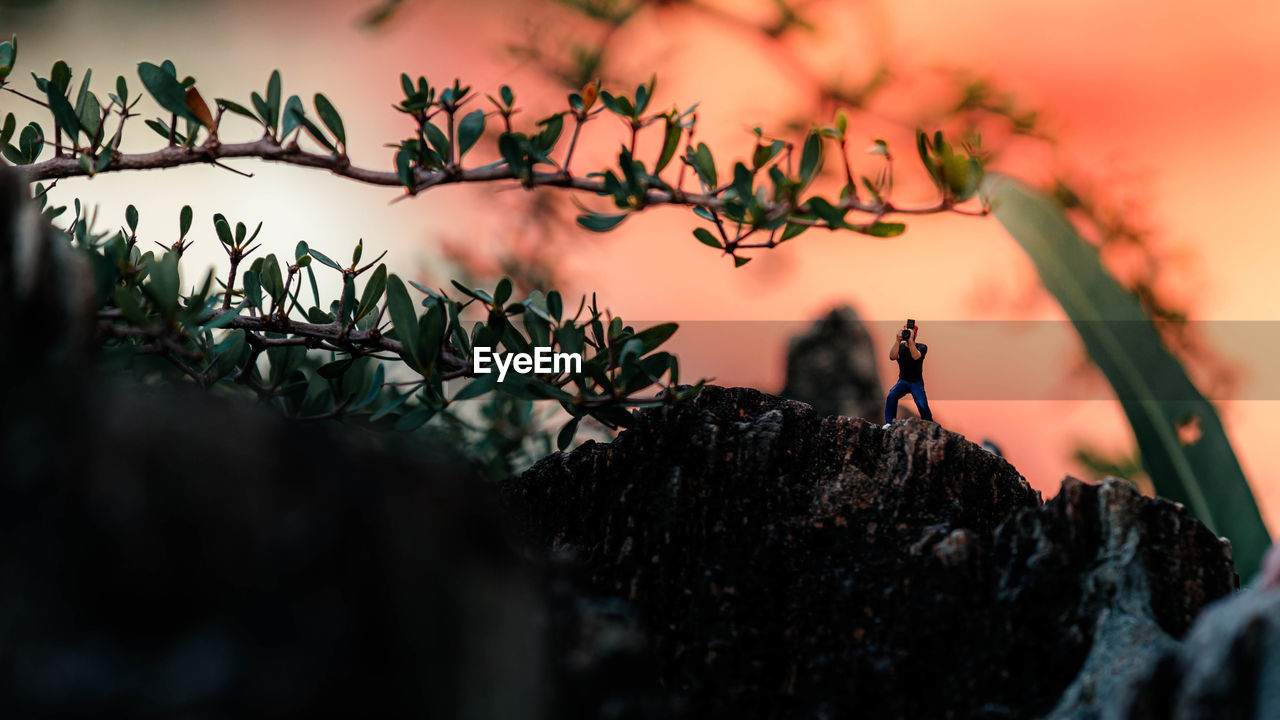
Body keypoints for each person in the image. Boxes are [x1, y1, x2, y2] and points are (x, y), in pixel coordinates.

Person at [883, 322, 932, 428]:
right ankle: (889, 423)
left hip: (916, 383)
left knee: (922, 405)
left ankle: (930, 424)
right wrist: (897, 340)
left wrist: (910, 341)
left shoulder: (922, 347)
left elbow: (915, 356)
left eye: (911, 332)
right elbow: (892, 356)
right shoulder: (900, 347)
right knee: (892, 395)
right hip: (903, 381)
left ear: (916, 334)